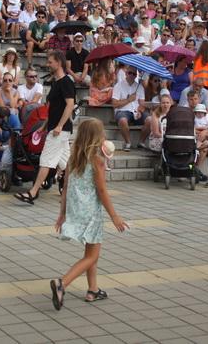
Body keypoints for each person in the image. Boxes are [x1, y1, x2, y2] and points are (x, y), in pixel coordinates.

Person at [51, 118, 128, 310]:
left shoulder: (73, 157)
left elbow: (66, 187)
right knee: (92, 255)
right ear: (96, 137)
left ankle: (93, 289)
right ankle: (62, 283)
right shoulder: (97, 161)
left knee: (90, 251)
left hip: (75, 210)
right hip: (91, 213)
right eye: (102, 133)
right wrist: (115, 216)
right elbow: (102, 192)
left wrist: (62, 213)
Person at [15, 50, 75, 205]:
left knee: (46, 160)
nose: (48, 64)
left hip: (59, 130)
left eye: (50, 62)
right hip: (55, 128)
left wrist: (59, 126)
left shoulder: (67, 82)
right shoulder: (56, 83)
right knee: (66, 163)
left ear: (59, 63)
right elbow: (53, 109)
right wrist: (43, 126)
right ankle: (73, 192)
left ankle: (33, 192)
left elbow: (70, 105)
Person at [112, 66, 153, 151]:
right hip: (123, 110)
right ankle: (128, 143)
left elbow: (142, 103)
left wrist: (139, 111)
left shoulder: (139, 87)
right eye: (130, 73)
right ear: (126, 73)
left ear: (136, 75)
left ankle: (141, 142)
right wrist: (128, 100)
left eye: (134, 74)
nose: (131, 75)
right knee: (123, 120)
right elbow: (115, 104)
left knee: (150, 119)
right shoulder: (118, 86)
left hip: (136, 111)